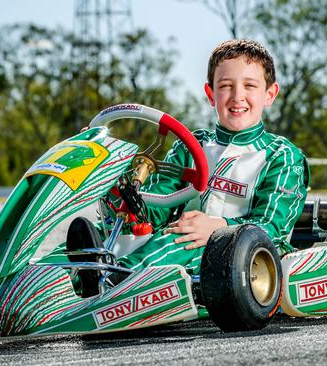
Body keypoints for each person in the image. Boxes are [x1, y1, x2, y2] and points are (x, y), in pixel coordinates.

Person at [116, 39, 309, 274]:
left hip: (244, 256)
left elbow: (272, 226)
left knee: (177, 242)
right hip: (182, 239)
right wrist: (130, 206)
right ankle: (68, 279)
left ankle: (113, 280)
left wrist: (219, 227)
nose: (237, 96)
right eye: (226, 85)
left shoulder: (282, 156)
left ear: (269, 94)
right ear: (211, 94)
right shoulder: (191, 146)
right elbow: (159, 203)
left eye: (250, 86)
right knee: (105, 233)